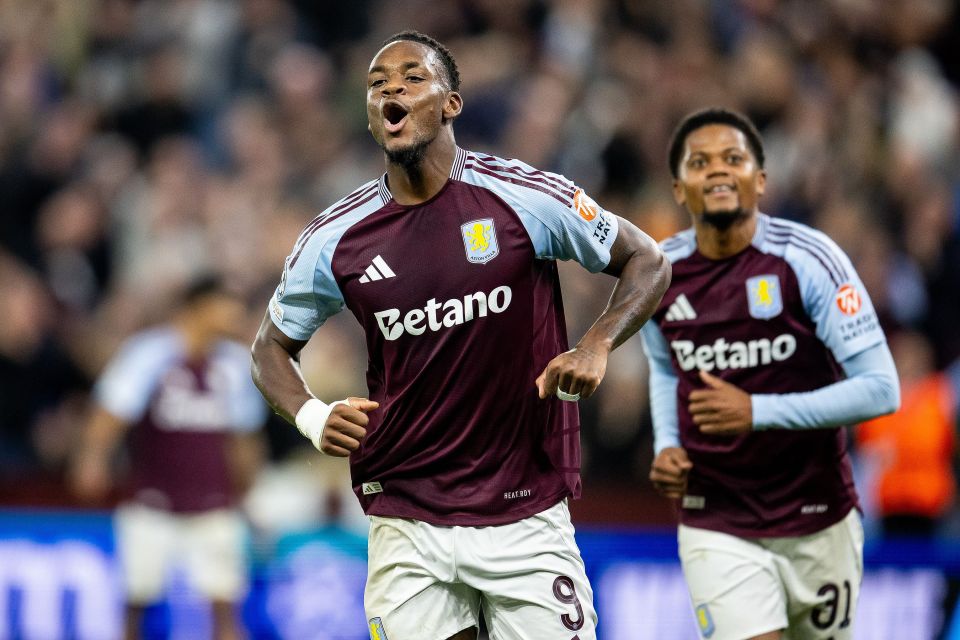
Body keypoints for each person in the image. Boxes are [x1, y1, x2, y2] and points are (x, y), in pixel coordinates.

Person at [250, 30, 670, 640]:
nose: (391, 88)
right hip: (406, 514)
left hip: (523, 508)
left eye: (412, 77)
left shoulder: (522, 197)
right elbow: (269, 348)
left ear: (452, 104)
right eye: (377, 84)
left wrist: (597, 342)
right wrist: (312, 416)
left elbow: (648, 259)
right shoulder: (336, 238)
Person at [642, 107, 900, 640]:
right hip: (716, 515)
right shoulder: (656, 275)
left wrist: (757, 412)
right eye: (700, 162)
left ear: (760, 180)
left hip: (816, 514)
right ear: (677, 188)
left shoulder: (808, 260)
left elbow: (881, 389)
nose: (716, 171)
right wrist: (667, 443)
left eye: (733, 159)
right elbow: (665, 367)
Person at [71, 276, 267, 640]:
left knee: (225, 605)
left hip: (214, 500)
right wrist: (92, 458)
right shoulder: (149, 353)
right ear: (199, 307)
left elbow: (243, 434)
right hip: (152, 497)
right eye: (226, 304)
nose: (235, 315)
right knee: (136, 603)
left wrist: (249, 487)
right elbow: (112, 411)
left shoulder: (235, 364)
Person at [856, 331, 959, 538]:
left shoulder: (942, 394)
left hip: (932, 503)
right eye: (902, 355)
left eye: (914, 355)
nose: (909, 362)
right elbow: (865, 448)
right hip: (886, 503)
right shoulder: (876, 397)